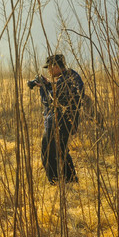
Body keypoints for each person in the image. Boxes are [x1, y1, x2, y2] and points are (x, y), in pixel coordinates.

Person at [28, 54, 84, 184]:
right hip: (69, 120)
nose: (48, 71)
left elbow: (51, 101)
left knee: (49, 150)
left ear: (56, 66)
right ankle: (70, 179)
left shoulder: (65, 80)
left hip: (59, 121)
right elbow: (61, 94)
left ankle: (55, 181)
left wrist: (43, 88)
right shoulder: (71, 76)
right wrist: (48, 85)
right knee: (61, 149)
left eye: (49, 68)